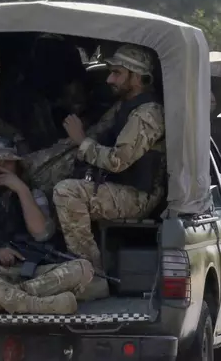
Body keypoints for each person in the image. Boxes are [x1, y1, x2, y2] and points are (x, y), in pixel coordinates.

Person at [53, 44, 166, 300]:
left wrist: (82, 142)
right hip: (116, 185)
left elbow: (117, 161)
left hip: (136, 195)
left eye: (116, 73)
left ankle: (91, 275)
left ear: (137, 78)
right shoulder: (124, 106)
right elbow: (95, 136)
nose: (109, 79)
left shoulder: (148, 113)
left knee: (67, 193)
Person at [0, 137, 94, 315]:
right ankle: (35, 305)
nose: (0, 168)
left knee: (82, 268)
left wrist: (22, 190)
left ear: (17, 167)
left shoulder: (32, 194)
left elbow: (41, 234)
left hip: (34, 275)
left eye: (7, 163)